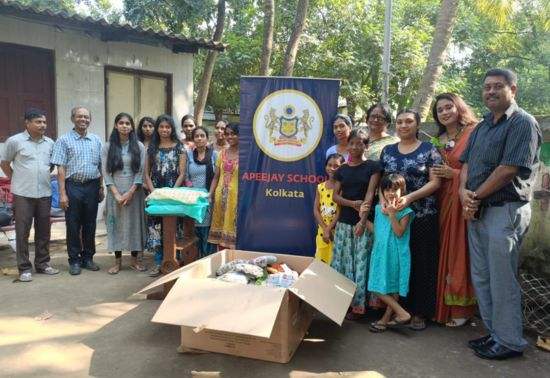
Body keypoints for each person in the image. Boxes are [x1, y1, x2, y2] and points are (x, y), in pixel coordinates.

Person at [459, 68, 542, 360]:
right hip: (477, 210)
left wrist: (475, 196)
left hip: (505, 211)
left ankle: (509, 341)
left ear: (513, 90)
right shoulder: (482, 126)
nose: (490, 92)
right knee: (482, 276)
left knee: (502, 279)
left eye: (498, 87)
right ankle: (495, 333)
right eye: (487, 87)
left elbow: (508, 170)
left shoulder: (523, 123)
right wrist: (462, 193)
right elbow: (465, 164)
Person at [380, 109, 443, 330]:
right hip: (394, 217)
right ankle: (399, 309)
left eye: (409, 121)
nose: (403, 125)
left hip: (423, 215)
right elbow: (381, 182)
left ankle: (419, 312)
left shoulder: (430, 150)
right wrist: (384, 207)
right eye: (399, 122)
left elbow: (436, 182)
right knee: (397, 263)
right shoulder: (387, 151)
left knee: (422, 262)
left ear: (417, 125)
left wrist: (409, 198)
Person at [430, 93, 479, 327]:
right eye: (440, 110)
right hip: (439, 200)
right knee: (441, 252)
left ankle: (461, 310)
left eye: (449, 107)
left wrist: (455, 174)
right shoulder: (437, 139)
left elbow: (481, 167)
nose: (445, 112)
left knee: (459, 252)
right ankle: (440, 307)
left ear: (459, 107)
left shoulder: (474, 132)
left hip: (462, 199)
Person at [1, 108, 59, 282]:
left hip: (44, 193)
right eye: (38, 122)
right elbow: (4, 164)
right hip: (22, 194)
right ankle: (24, 268)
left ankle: (42, 264)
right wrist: (16, 179)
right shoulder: (15, 141)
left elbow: (51, 166)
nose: (43, 125)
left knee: (43, 231)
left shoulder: (50, 142)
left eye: (44, 122)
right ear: (27, 123)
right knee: (22, 231)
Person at [331, 128, 382, 320]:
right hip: (344, 223)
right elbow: (336, 196)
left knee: (361, 264)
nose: (355, 146)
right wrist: (352, 204)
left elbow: (370, 194)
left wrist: (362, 220)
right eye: (352, 143)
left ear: (366, 146)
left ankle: (360, 307)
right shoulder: (342, 170)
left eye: (359, 143)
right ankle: (344, 304)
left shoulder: (373, 167)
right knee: (343, 265)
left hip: (364, 223)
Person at [51, 107, 104, 275]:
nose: (83, 119)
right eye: (80, 116)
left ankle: (88, 257)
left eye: (86, 117)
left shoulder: (96, 140)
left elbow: (101, 166)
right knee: (73, 224)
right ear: (72, 118)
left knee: (90, 223)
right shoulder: (63, 140)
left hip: (92, 186)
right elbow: (61, 168)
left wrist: (101, 187)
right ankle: (74, 260)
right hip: (72, 186)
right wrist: (62, 193)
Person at [364, 173, 414, 332]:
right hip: (380, 253)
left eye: (395, 189)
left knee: (391, 288)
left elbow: (399, 232)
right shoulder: (379, 209)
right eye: (387, 189)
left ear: (402, 191)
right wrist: (363, 220)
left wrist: (392, 213)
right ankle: (398, 314)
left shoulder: (406, 211)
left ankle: (393, 316)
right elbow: (378, 231)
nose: (391, 193)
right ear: (382, 191)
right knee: (375, 286)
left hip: (396, 255)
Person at [102, 113, 147, 274]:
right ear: (115, 126)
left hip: (135, 192)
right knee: (116, 225)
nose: (124, 126)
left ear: (132, 127)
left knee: (134, 225)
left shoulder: (139, 146)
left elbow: (141, 171)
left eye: (128, 123)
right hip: (115, 191)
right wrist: (116, 194)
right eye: (121, 123)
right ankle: (118, 261)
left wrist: (130, 192)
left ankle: (134, 260)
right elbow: (106, 173)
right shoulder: (108, 147)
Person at [144, 115, 186, 277]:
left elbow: (182, 173)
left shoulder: (179, 147)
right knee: (156, 228)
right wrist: (154, 191)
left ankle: (176, 262)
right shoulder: (152, 147)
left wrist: (171, 192)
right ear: (157, 129)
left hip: (174, 194)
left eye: (167, 127)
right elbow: (146, 174)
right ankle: (158, 263)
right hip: (155, 194)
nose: (164, 130)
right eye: (161, 126)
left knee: (174, 228)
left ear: (172, 129)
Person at [186, 126, 218, 257]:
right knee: (195, 232)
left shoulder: (214, 156)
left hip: (209, 198)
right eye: (196, 136)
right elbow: (186, 176)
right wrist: (191, 192)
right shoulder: (189, 155)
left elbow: (217, 176)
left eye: (202, 136)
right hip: (193, 199)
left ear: (207, 139)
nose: (199, 138)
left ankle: (207, 259)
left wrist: (209, 195)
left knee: (207, 232)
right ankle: (196, 260)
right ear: (193, 139)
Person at [208, 123, 239, 249]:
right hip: (221, 198)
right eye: (227, 134)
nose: (229, 137)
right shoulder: (221, 154)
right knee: (220, 234)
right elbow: (216, 176)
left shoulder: (246, 155)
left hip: (237, 199)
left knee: (235, 230)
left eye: (233, 134)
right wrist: (210, 194)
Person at [313, 153, 345, 265]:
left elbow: (339, 212)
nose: (332, 168)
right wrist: (325, 229)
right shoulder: (320, 187)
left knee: (336, 263)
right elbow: (316, 210)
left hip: (337, 233)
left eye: (336, 166)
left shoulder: (342, 188)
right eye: (329, 165)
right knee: (321, 264)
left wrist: (329, 229)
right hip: (322, 232)